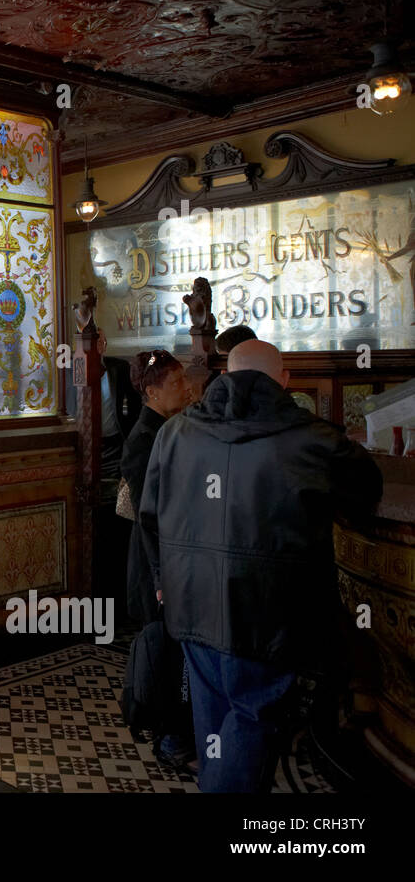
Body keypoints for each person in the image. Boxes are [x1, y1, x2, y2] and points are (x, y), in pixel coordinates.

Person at [138, 340, 382, 792]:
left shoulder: (175, 433)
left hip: (192, 602)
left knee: (213, 723)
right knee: (253, 719)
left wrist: (162, 579)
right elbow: (367, 490)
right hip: (269, 612)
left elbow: (149, 516)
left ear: (224, 376)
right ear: (284, 380)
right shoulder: (313, 439)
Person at [119, 349, 194, 772]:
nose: (186, 389)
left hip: (172, 561)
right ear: (152, 392)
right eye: (176, 383)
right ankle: (168, 739)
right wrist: (161, 576)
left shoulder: (171, 429)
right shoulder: (143, 440)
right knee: (163, 653)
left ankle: (181, 733)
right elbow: (150, 518)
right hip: (154, 564)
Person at [93, 331, 141, 611]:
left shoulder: (118, 368)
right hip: (88, 448)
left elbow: (133, 407)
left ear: (104, 344)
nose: (95, 346)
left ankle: (118, 594)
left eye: (99, 341)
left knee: (118, 513)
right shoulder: (70, 371)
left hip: (115, 444)